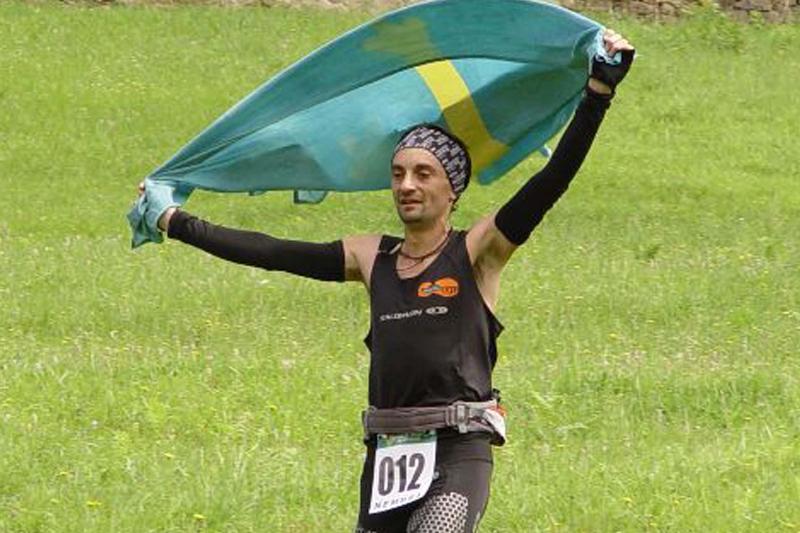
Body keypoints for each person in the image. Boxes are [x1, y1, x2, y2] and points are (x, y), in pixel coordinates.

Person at [139, 28, 634, 533]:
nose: (407, 185)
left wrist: (598, 93)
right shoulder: (370, 256)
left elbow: (551, 182)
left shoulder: (478, 251)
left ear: (452, 187)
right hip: (388, 455)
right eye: (398, 173)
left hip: (459, 450)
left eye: (423, 173)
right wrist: (176, 222)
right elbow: (272, 253)